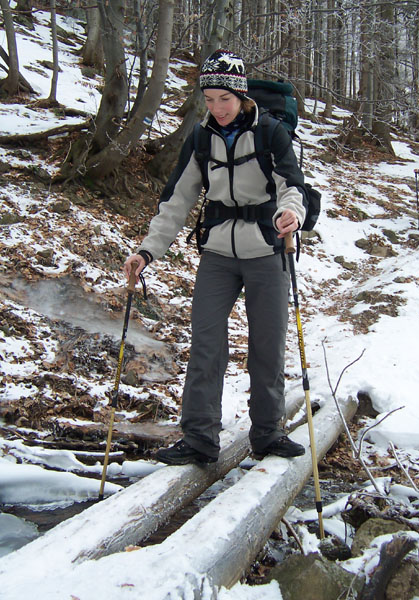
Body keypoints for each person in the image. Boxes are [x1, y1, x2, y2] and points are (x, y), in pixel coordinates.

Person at [124, 49, 309, 465]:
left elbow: (292, 185)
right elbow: (176, 200)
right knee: (206, 342)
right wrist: (146, 251)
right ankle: (200, 437)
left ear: (240, 95)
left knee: (267, 345)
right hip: (217, 254)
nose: (216, 108)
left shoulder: (270, 132)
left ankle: (268, 433)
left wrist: (290, 214)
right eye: (208, 99)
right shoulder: (201, 136)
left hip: (267, 249)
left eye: (223, 99)